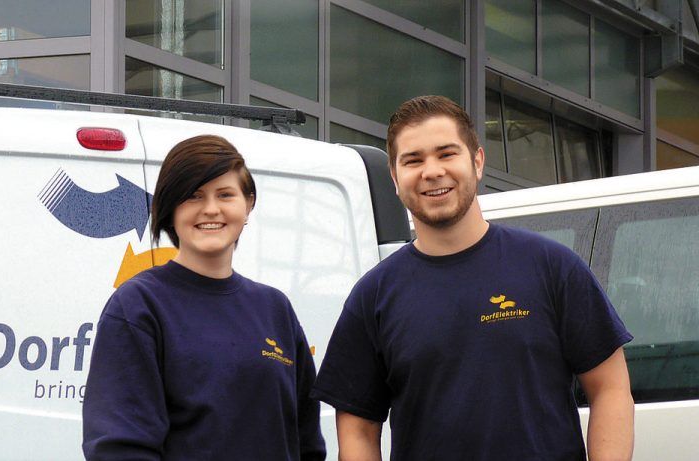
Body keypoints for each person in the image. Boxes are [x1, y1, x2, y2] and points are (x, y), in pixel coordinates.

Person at [311, 96, 634, 460]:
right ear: (394, 177)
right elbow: (356, 430)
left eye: (446, 154)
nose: (431, 171)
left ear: (477, 161)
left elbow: (610, 388)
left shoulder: (551, 266)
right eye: (413, 160)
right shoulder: (373, 296)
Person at [83, 135, 325, 460]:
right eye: (193, 196)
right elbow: (119, 448)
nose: (210, 209)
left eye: (225, 194)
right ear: (169, 208)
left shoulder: (274, 308)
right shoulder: (140, 305)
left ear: (248, 204)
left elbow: (306, 441)